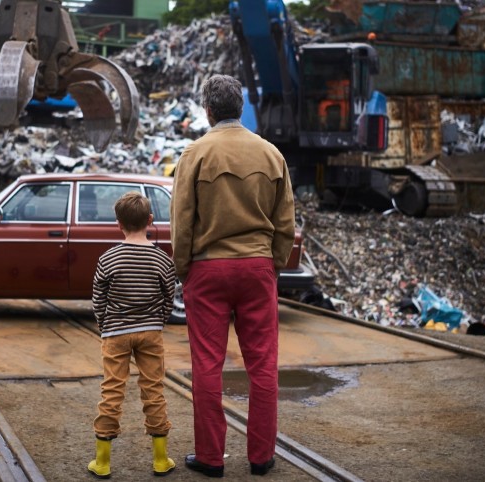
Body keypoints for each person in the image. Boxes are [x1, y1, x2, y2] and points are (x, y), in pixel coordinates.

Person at [170, 74, 296, 478]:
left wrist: (184, 268)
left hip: (208, 269)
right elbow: (286, 222)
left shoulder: (195, 153)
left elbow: (182, 221)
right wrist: (271, 264)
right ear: (240, 108)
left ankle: (210, 458)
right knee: (263, 365)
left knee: (207, 364)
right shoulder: (271, 154)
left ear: (207, 110)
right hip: (257, 267)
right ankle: (261, 457)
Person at [88, 191, 178, 479]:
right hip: (150, 332)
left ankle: (102, 462)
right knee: (154, 390)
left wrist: (104, 324)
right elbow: (169, 295)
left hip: (115, 332)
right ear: (150, 221)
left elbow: (97, 297)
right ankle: (160, 459)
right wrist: (158, 321)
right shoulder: (162, 258)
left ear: (119, 224)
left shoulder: (109, 258)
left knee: (112, 389)